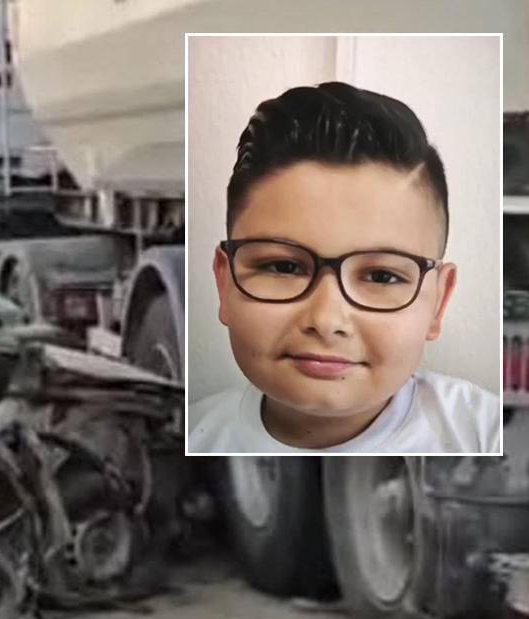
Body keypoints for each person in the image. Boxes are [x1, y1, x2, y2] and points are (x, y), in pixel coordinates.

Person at [188, 82, 500, 453]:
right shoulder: (191, 437)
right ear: (224, 283)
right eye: (283, 266)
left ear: (439, 303)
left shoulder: (489, 435)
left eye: (382, 276)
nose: (326, 320)